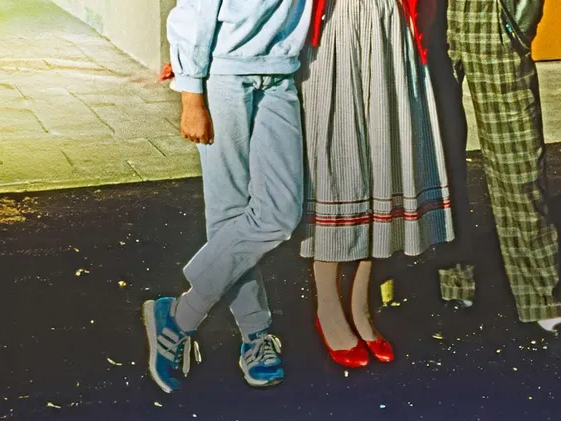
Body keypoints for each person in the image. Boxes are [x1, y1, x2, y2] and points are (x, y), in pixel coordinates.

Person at [143, 0, 314, 393]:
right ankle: (256, 334)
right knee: (229, 211)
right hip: (223, 73)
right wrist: (191, 96)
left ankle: (181, 316)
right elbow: (194, 10)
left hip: (280, 71)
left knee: (280, 214)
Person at [298, 0, 452, 368]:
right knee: (337, 163)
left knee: (382, 161)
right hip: (334, 25)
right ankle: (328, 307)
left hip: (388, 21)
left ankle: (360, 304)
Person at [428, 0, 561, 363]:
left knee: (518, 162)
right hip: (431, 19)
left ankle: (539, 298)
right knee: (437, 161)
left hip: (491, 17)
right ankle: (454, 286)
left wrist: (520, 22)